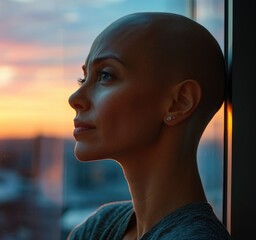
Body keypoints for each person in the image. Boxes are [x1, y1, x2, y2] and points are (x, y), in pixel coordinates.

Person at [67, 12, 231, 240]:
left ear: (179, 102)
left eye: (105, 75)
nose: (75, 97)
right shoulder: (101, 227)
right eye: (83, 80)